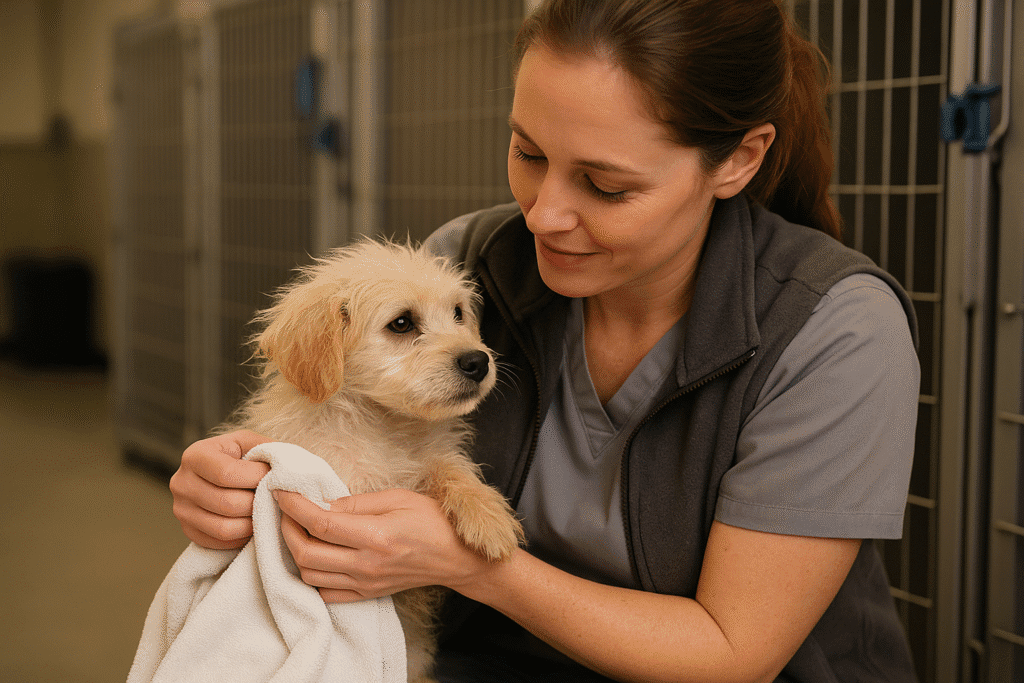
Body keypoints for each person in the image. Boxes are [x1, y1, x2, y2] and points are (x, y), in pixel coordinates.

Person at [169, 0, 921, 680]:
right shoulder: (469, 264)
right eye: (529, 153)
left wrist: (478, 568)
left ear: (738, 160)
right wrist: (231, 480)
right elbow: (335, 432)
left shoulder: (836, 330)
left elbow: (733, 653)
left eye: (605, 185)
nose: (543, 216)